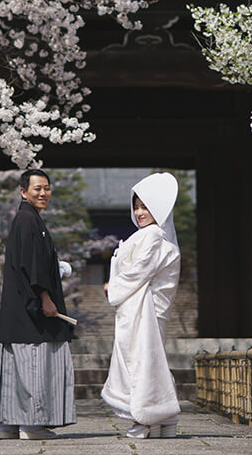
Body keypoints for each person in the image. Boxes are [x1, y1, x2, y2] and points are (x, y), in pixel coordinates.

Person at [0, 169, 76, 440]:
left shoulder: (27, 219)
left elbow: (32, 261)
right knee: (34, 363)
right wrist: (46, 298)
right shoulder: (28, 220)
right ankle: (32, 424)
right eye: (37, 188)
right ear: (23, 191)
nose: (43, 193)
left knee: (16, 365)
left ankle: (8, 423)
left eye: (46, 188)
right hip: (31, 309)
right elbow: (30, 265)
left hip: (17, 309)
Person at [101, 172, 182, 439]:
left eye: (145, 206)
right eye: (136, 207)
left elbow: (139, 271)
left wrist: (113, 287)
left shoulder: (152, 236)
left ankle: (146, 420)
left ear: (158, 208)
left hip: (144, 309)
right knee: (153, 361)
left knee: (142, 362)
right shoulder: (153, 235)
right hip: (148, 307)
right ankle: (165, 418)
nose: (139, 212)